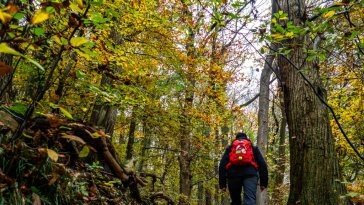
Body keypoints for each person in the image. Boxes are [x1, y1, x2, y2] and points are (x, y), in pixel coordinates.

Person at [219, 132, 268, 205]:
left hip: (233, 175)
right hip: (250, 175)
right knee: (249, 199)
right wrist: (263, 183)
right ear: (246, 138)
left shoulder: (230, 148)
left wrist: (222, 184)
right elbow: (262, 164)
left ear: (236, 138)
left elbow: (222, 165)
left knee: (235, 201)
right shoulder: (252, 147)